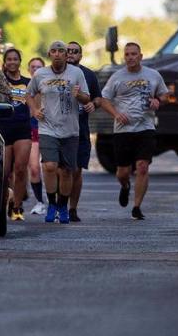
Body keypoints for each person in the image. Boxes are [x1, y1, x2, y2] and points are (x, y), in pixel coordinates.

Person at [99, 42, 168, 221]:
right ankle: (125, 186)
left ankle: (137, 207)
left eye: (133, 54)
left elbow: (164, 94)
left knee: (142, 167)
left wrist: (158, 101)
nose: (130, 57)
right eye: (127, 54)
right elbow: (103, 100)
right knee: (122, 172)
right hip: (123, 130)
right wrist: (116, 113)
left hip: (146, 127)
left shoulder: (153, 75)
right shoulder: (117, 77)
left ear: (141, 56)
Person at [27, 41, 90, 224]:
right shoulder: (40, 74)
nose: (57, 54)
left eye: (60, 51)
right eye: (53, 51)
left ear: (65, 55)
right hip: (48, 127)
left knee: (67, 171)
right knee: (49, 166)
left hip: (70, 130)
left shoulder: (76, 73)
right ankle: (52, 203)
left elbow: (87, 98)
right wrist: (34, 110)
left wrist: (79, 95)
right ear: (49, 54)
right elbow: (29, 94)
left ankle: (63, 205)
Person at [66, 41, 102, 222]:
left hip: (81, 127)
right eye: (68, 51)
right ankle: (59, 204)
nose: (71, 54)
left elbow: (98, 98)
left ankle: (72, 209)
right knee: (60, 170)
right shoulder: (55, 74)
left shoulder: (88, 75)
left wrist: (92, 104)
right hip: (60, 127)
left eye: (75, 51)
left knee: (77, 170)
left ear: (80, 55)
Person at [1, 48, 32, 221]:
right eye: (9, 59)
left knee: (20, 170)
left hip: (22, 129)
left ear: (20, 61)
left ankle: (18, 207)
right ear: (5, 62)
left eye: (15, 59)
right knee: (4, 173)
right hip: (4, 128)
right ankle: (6, 200)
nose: (12, 62)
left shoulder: (28, 82)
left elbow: (35, 105)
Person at [26, 56, 46, 215]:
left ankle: (56, 201)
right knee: (34, 168)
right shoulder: (25, 86)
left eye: (39, 66)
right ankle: (40, 201)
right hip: (31, 129)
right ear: (28, 69)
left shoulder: (49, 84)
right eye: (33, 67)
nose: (36, 69)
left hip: (48, 129)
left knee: (51, 167)